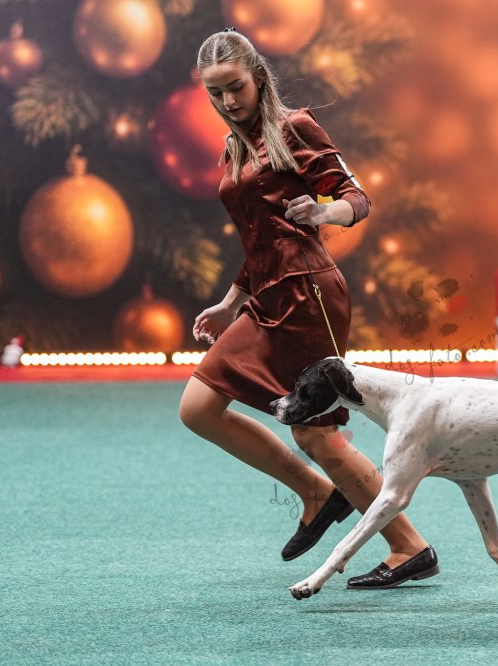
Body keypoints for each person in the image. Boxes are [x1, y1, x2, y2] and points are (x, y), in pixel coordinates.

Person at [178, 29, 438, 589]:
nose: (227, 101)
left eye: (235, 87)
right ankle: (317, 493)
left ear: (258, 77)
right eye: (215, 93)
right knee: (198, 408)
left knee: (316, 434)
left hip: (309, 296)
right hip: (266, 296)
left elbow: (356, 198)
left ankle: (409, 546)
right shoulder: (235, 147)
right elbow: (260, 241)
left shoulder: (294, 127)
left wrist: (324, 213)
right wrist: (229, 303)